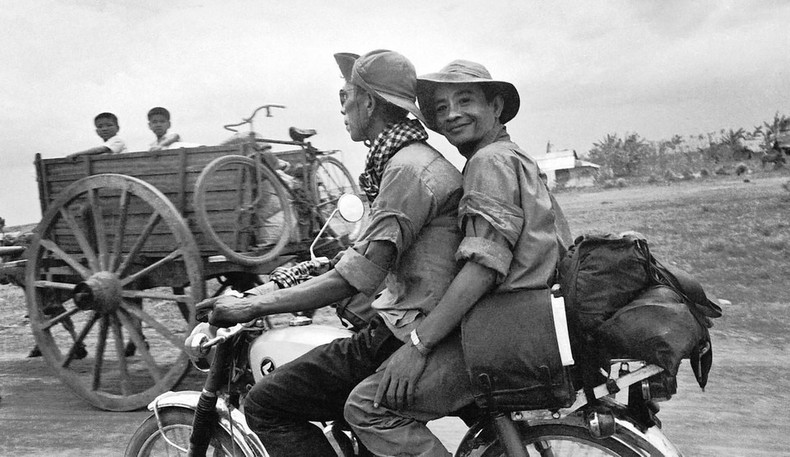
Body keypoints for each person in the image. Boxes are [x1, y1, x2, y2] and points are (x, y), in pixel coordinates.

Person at [195, 49, 464, 457]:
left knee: (267, 404)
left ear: (369, 102)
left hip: (406, 328)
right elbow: (364, 253)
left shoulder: (406, 171)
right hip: (412, 318)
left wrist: (251, 308)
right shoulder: (406, 162)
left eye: (346, 96)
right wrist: (274, 288)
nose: (342, 107)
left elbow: (354, 278)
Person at [344, 60, 572, 456]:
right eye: (443, 107)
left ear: (496, 106)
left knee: (368, 407)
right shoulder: (511, 155)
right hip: (527, 322)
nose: (452, 115)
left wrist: (418, 344)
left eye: (465, 100)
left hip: (503, 332)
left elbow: (484, 265)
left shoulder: (490, 162)